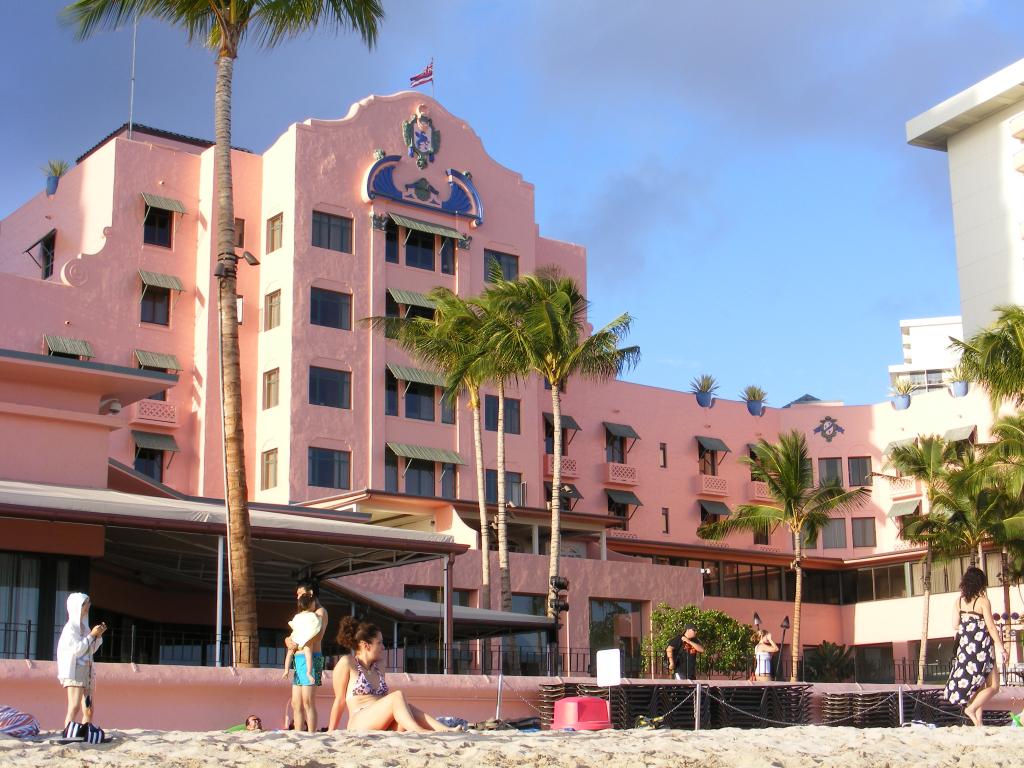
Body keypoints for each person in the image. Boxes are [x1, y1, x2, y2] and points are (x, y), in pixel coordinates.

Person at [328, 616, 461, 732]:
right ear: (365, 645)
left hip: (380, 722)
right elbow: (339, 700)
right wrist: (330, 731)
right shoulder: (347, 663)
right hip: (359, 720)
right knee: (397, 696)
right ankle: (419, 730)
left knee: (406, 710)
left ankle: (442, 729)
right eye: (379, 643)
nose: (383, 647)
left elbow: (386, 703)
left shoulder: (379, 666)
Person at [944, 566, 1009, 725]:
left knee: (977, 687)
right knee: (994, 686)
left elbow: (954, 624)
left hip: (966, 650)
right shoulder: (982, 601)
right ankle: (971, 709)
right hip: (983, 648)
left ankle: (978, 723)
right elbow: (992, 627)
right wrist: (1002, 648)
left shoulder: (958, 601)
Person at [56, 593, 106, 740]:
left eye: (88, 603)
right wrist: (92, 635)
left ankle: (86, 734)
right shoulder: (70, 629)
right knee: (74, 706)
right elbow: (78, 650)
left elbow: (90, 649)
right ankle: (67, 733)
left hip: (88, 671)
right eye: (85, 604)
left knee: (89, 709)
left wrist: (97, 635)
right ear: (77, 607)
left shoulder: (84, 627)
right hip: (75, 671)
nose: (88, 606)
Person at [284, 579, 328, 732]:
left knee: (308, 701)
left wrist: (298, 642)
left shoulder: (320, 612)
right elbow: (293, 634)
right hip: (299, 658)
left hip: (313, 658)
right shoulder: (302, 614)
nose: (298, 597)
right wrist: (288, 641)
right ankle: (298, 733)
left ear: (310, 594)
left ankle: (311, 734)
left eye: (300, 593)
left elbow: (318, 636)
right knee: (296, 702)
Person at [283, 593, 322, 686]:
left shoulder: (297, 616)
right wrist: (319, 618)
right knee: (308, 653)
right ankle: (308, 673)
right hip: (305, 640)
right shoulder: (313, 615)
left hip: (296, 637)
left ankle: (286, 670)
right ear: (310, 604)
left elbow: (294, 625)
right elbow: (317, 625)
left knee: (289, 654)